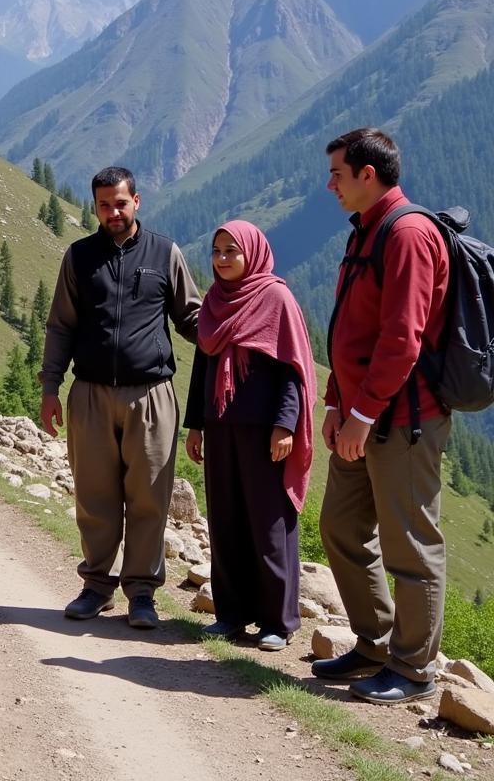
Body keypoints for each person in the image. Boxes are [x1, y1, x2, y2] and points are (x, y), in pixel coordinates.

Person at [312, 127, 450, 705]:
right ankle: (375, 643)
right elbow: (354, 327)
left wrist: (362, 415)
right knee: (341, 527)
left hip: (403, 421)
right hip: (361, 414)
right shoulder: (367, 230)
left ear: (369, 175)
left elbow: (401, 339)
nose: (330, 185)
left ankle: (415, 668)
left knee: (412, 546)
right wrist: (336, 401)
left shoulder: (409, 233)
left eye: (338, 174)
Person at [40, 166, 202, 627]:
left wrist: (229, 332)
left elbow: (190, 317)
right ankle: (96, 586)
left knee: (150, 498)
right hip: (89, 393)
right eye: (104, 205)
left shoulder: (165, 253)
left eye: (121, 203)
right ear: (95, 207)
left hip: (151, 395)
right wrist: (51, 388)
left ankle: (143, 594)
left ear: (138, 201)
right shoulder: (78, 257)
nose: (113, 212)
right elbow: (60, 326)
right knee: (95, 497)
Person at [183, 221, 316, 651]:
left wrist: (285, 425)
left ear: (253, 253)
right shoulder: (213, 301)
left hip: (264, 433)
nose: (222, 259)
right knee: (225, 521)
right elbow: (203, 366)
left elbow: (291, 372)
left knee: (270, 524)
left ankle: (278, 622)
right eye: (217, 251)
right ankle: (231, 615)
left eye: (231, 251)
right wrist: (196, 425)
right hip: (221, 428)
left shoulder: (276, 299)